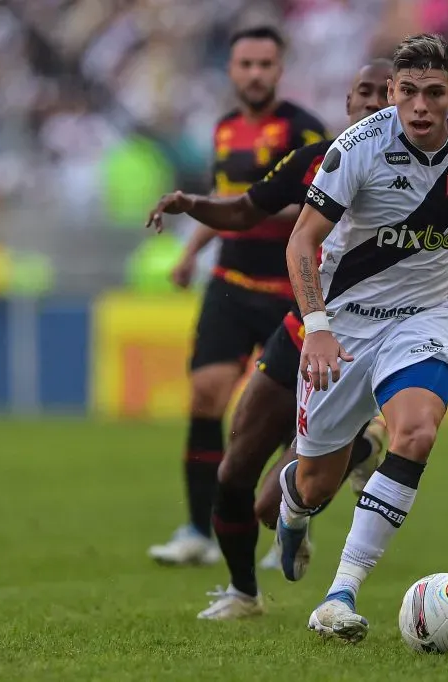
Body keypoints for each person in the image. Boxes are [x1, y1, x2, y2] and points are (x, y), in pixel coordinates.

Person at [146, 59, 448, 620]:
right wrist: (192, 207)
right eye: (365, 94)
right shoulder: (322, 160)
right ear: (348, 103)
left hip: (386, 331)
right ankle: (244, 592)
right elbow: (247, 208)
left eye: (386, 94)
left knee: (318, 481)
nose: (376, 104)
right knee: (246, 486)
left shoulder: (438, 167)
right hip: (306, 332)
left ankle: (356, 466)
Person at [277, 34, 448, 642]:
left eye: (435, 93)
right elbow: (301, 241)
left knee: (416, 431)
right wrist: (318, 329)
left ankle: (340, 593)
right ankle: (292, 507)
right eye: (408, 93)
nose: (421, 107)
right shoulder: (357, 147)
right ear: (391, 94)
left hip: (422, 317)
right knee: (315, 484)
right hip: (345, 323)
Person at [147, 26, 328, 566]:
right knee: (206, 395)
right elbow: (226, 203)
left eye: (264, 64)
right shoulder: (225, 130)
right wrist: (191, 252)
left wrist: (258, 207)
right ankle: (198, 529)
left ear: (279, 69)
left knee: (278, 415)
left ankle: (285, 527)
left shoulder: (305, 130)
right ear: (231, 70)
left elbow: (316, 210)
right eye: (245, 64)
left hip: (286, 287)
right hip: (230, 282)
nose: (254, 73)